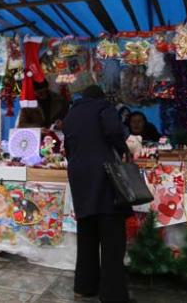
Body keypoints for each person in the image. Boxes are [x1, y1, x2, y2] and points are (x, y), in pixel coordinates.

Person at [63, 85, 135, 303]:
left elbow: (69, 147)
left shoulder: (71, 114)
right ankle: (113, 295)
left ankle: (84, 287)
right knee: (112, 238)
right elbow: (114, 131)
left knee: (87, 234)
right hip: (105, 177)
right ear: (101, 96)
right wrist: (123, 149)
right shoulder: (104, 107)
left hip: (79, 177)